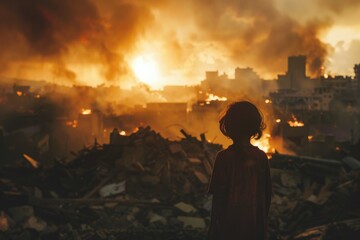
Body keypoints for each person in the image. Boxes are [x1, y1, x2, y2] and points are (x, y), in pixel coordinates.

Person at [208, 101, 272, 240]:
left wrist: (213, 229)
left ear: (228, 126)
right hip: (254, 229)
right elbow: (267, 196)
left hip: (229, 229)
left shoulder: (224, 158)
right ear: (255, 127)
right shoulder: (261, 157)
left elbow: (218, 199)